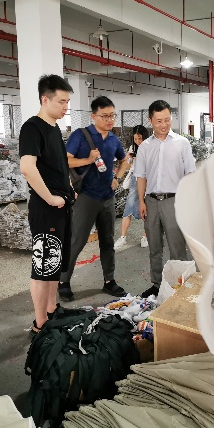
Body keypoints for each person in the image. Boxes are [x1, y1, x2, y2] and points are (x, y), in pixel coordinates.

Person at [58, 96, 131, 301]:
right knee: (77, 240)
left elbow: (125, 160)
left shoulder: (113, 139)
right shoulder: (80, 135)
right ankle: (63, 281)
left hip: (107, 198)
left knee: (107, 241)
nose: (110, 120)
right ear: (94, 116)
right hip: (86, 197)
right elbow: (65, 161)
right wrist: (88, 160)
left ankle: (109, 281)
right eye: (105, 116)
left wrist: (117, 178)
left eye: (112, 116)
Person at [19, 75, 74, 335]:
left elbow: (57, 167)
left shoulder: (54, 129)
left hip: (61, 208)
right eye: (61, 101)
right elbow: (27, 168)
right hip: (46, 209)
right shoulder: (33, 128)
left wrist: (68, 189)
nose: (66, 107)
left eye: (67, 102)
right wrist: (50, 198)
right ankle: (40, 323)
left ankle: (52, 309)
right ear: (45, 99)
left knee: (54, 263)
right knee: (43, 267)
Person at [135, 100, 196, 298]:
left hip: (174, 201)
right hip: (151, 202)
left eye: (167, 120)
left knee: (177, 246)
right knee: (154, 247)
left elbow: (190, 175)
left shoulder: (182, 143)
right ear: (150, 120)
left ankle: (181, 285)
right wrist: (141, 201)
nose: (164, 125)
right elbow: (141, 176)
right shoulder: (145, 147)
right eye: (159, 121)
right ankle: (156, 284)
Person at [114, 125, 149, 250]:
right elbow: (128, 166)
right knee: (128, 207)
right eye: (135, 139)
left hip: (149, 179)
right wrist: (128, 158)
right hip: (135, 178)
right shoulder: (132, 148)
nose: (138, 141)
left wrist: (139, 157)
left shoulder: (151, 147)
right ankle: (122, 237)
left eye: (140, 138)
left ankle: (145, 236)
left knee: (148, 208)